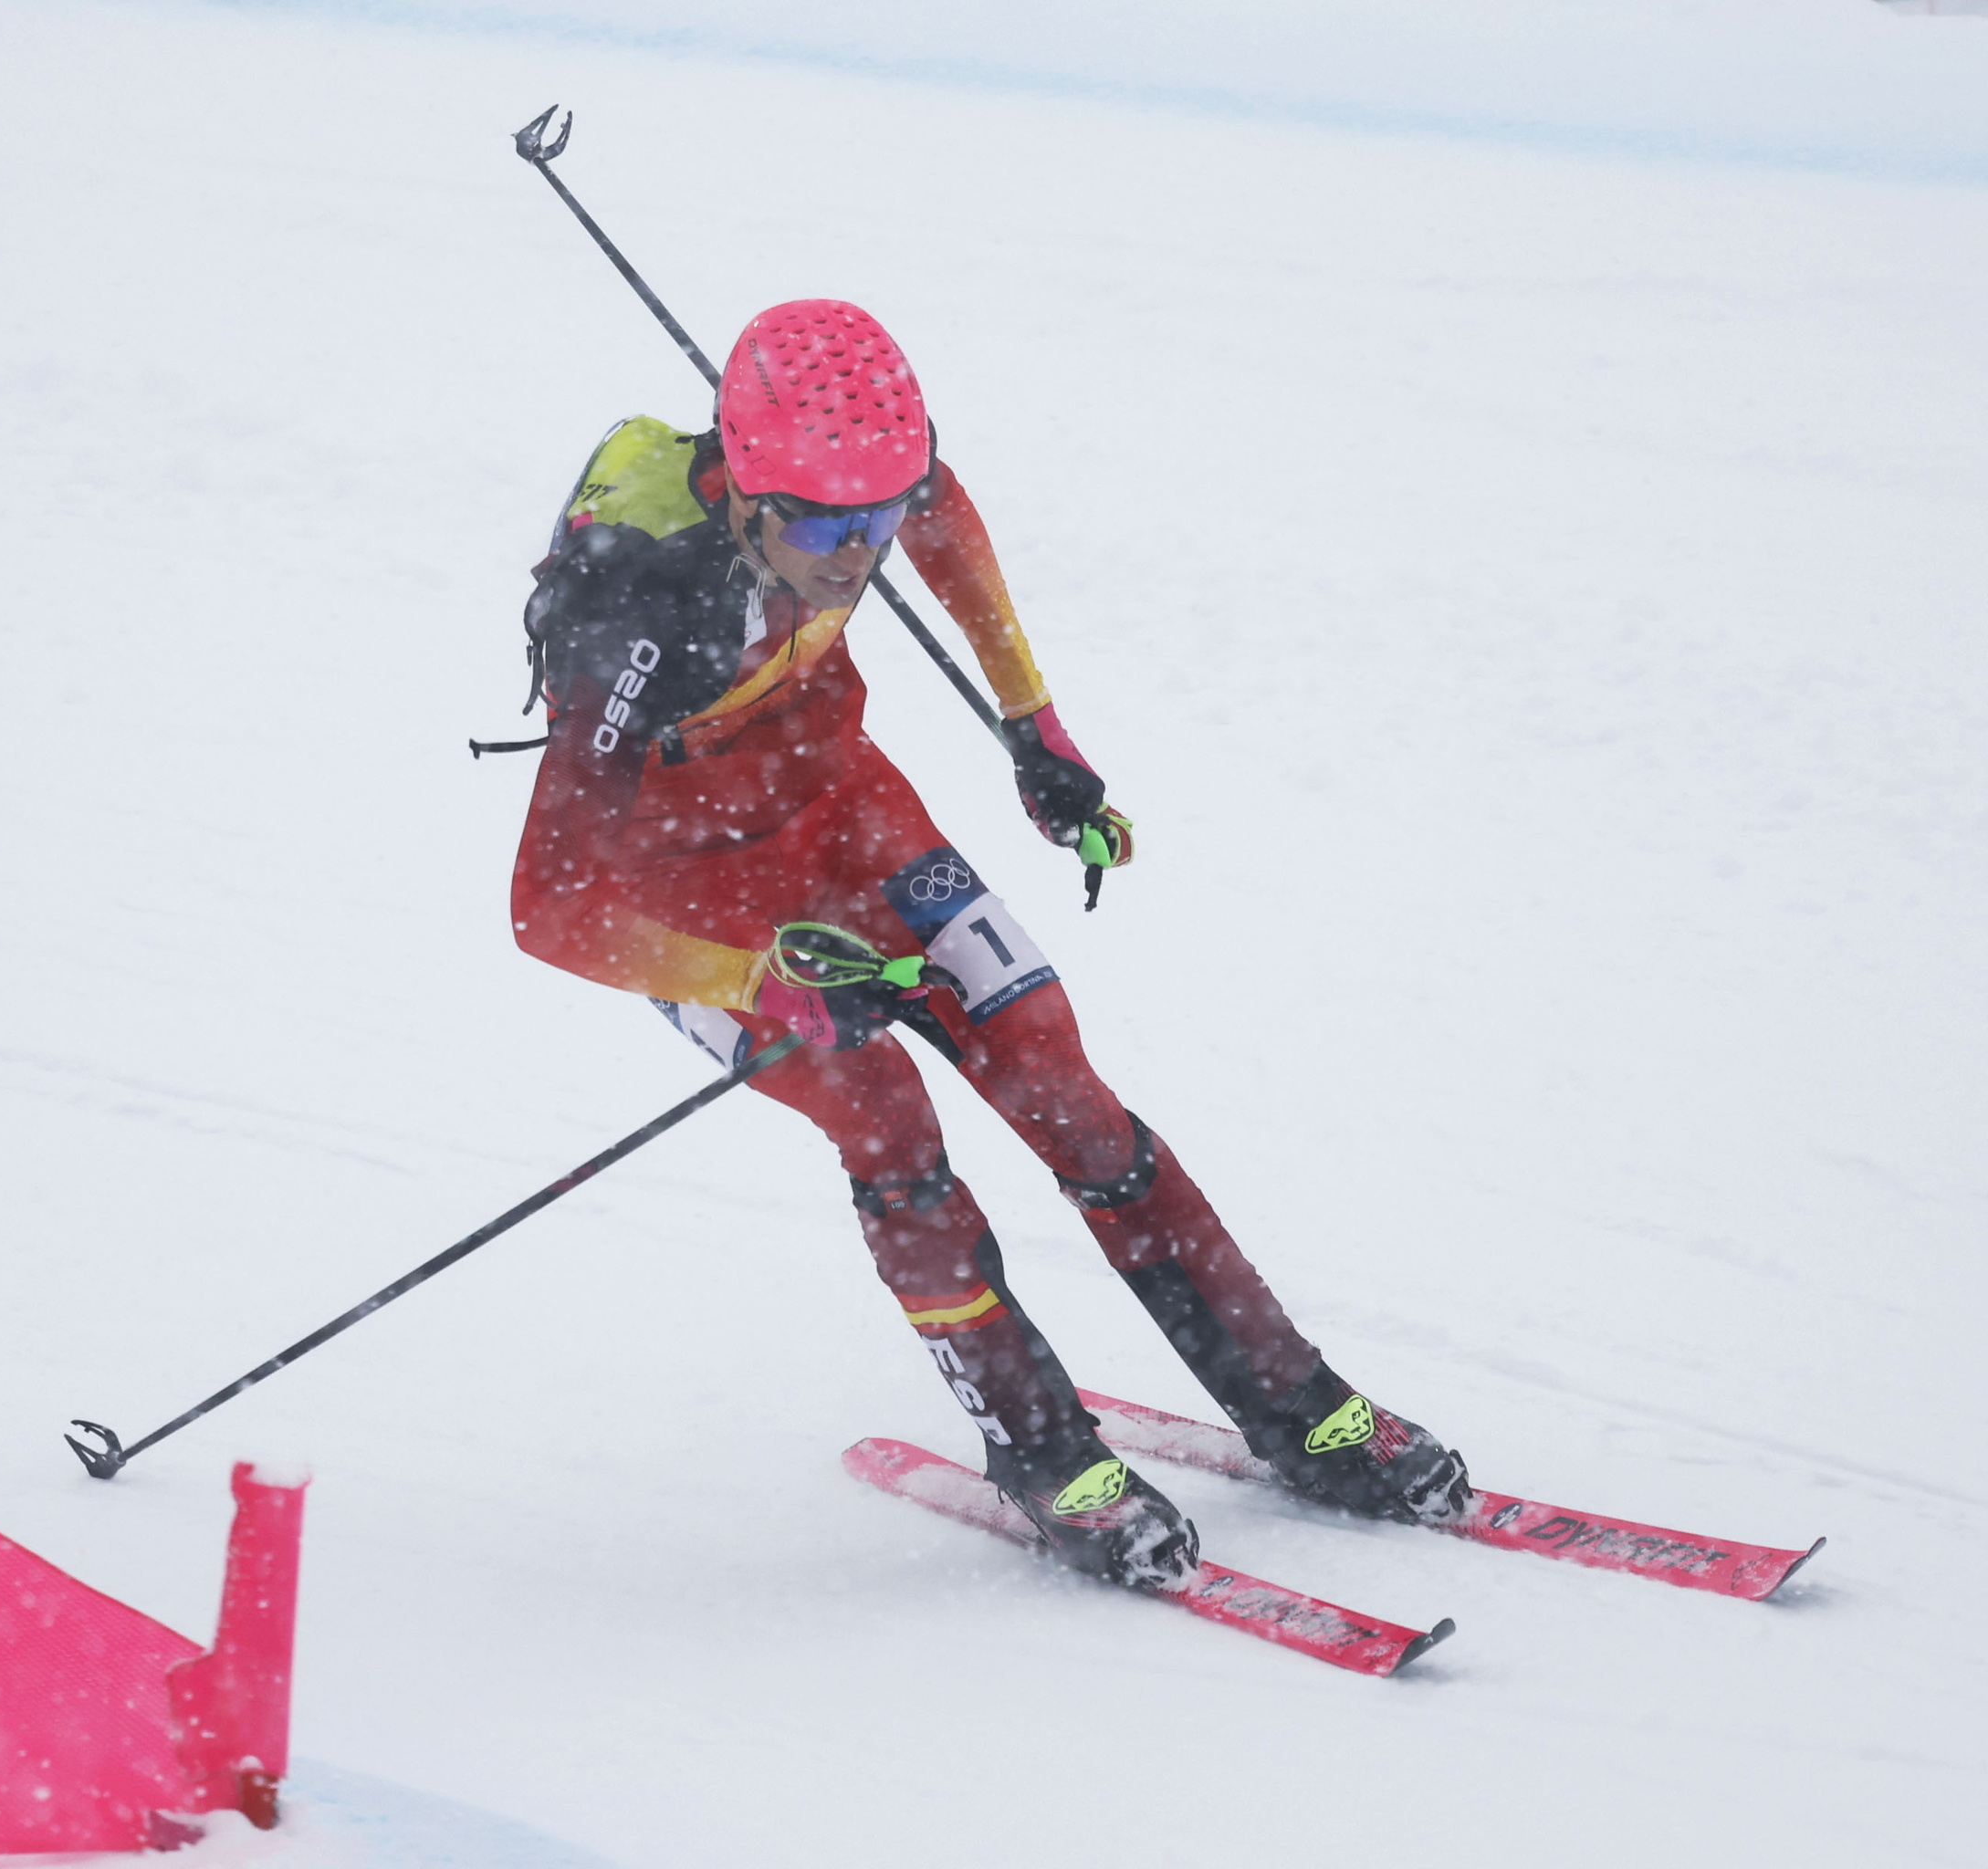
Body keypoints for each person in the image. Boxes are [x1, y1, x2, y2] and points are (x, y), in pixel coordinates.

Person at [507, 299, 1468, 1588]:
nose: (857, 556)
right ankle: (1042, 1450)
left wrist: (1035, 724)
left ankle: (1302, 1408)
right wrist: (749, 982)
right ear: (741, 487)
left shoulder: (859, 488)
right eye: (823, 527)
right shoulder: (633, 611)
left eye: (875, 520)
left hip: (843, 809)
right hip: (691, 900)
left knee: (1059, 1080)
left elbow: (944, 514)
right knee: (886, 1115)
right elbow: (551, 906)